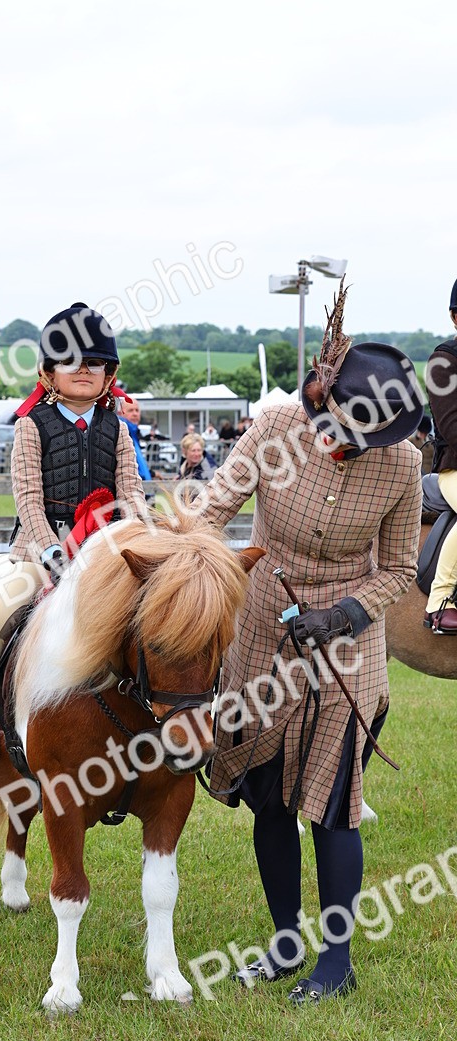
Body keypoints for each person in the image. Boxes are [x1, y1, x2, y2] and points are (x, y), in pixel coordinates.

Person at [190, 302, 423, 1004]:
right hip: (263, 624)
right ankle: (286, 942)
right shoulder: (275, 428)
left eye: (366, 440)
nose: (348, 448)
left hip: (348, 645)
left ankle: (336, 961)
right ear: (322, 399)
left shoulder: (404, 466)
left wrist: (349, 612)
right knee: (269, 799)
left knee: (333, 802)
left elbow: (403, 567)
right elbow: (212, 509)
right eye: (343, 432)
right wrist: (184, 562)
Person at [0, 301, 147, 760]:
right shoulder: (29, 427)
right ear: (49, 371)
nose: (84, 370)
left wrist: (143, 533)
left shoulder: (117, 430)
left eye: (95, 363)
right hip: (41, 547)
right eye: (72, 361)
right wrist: (50, 551)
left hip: (104, 550)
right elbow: (28, 498)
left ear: (108, 374)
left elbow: (131, 491)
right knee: (4, 608)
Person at [423, 280, 457, 633]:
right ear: (454, 317)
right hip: (454, 471)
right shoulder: (444, 361)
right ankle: (440, 602)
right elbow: (451, 426)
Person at [116, 395, 151, 481]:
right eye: (130, 410)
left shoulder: (134, 432)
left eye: (137, 410)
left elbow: (137, 463)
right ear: (120, 413)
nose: (135, 414)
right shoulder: (120, 432)